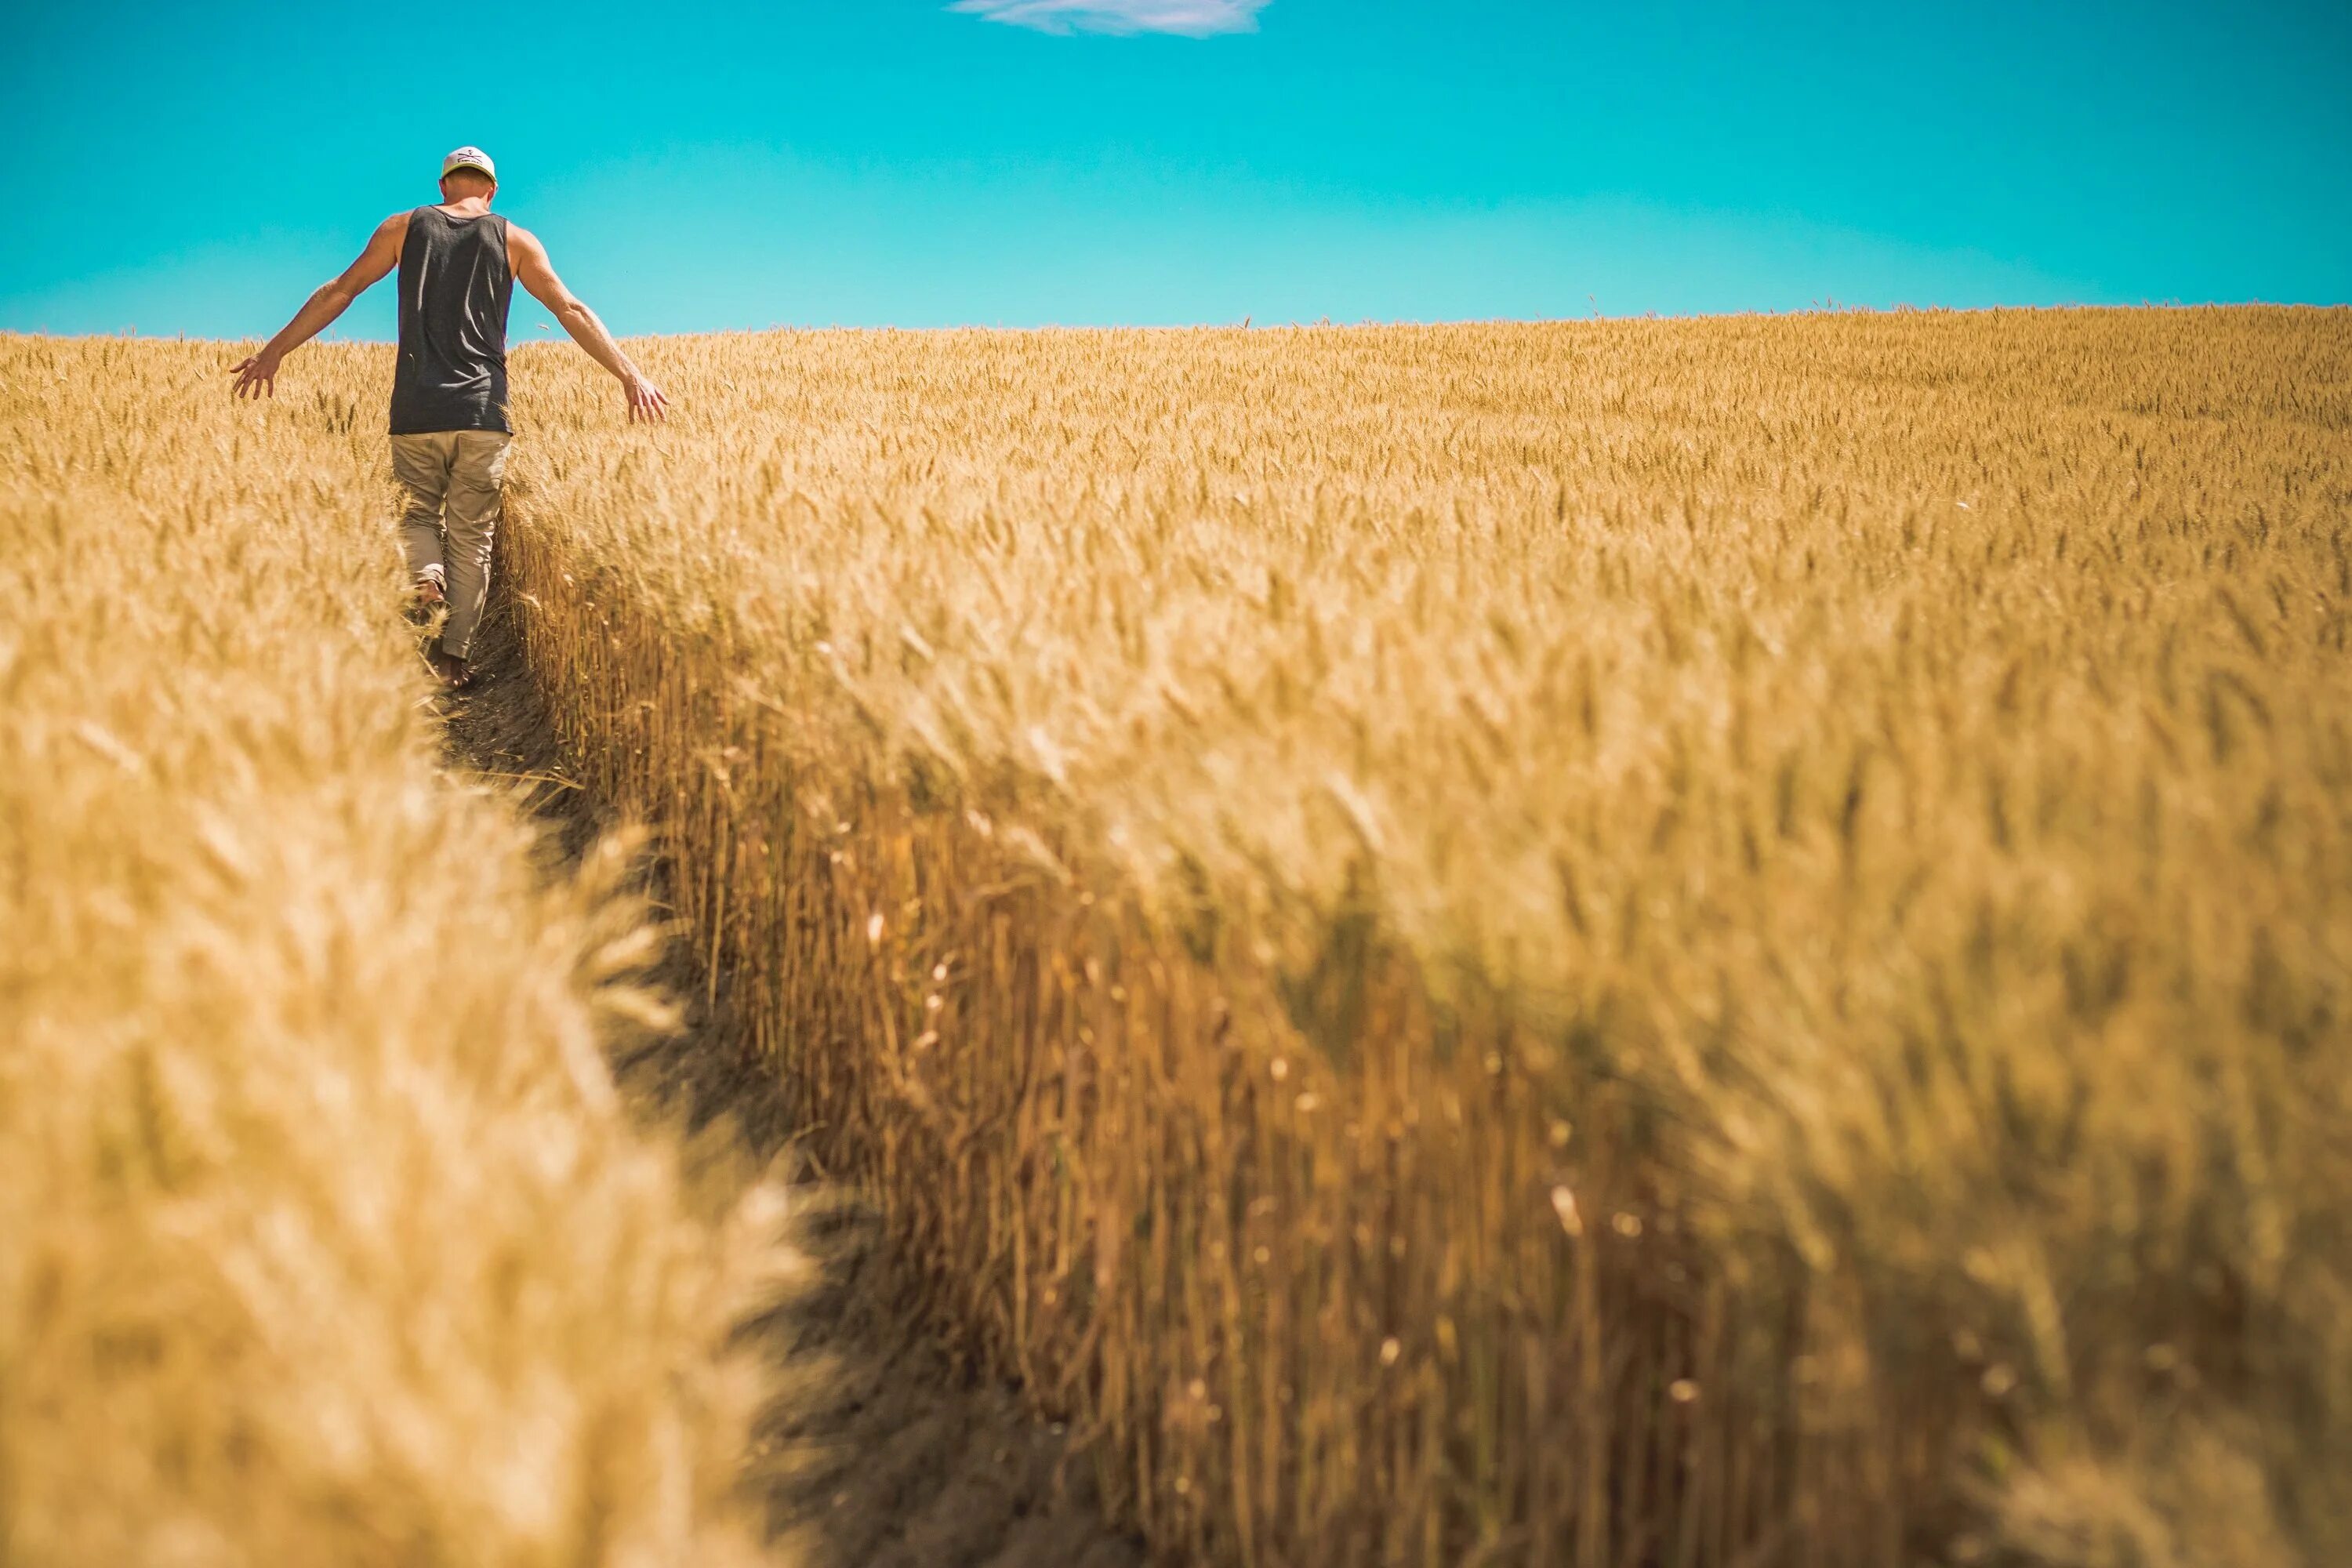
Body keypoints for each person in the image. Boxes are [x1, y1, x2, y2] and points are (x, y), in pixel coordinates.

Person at [229, 146, 667, 688]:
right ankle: (453, 660)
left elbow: (339, 291)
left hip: (417, 407)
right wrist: (631, 375)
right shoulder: (516, 239)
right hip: (484, 412)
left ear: (443, 187)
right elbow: (569, 310)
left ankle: (425, 576)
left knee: (416, 518)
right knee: (473, 538)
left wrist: (275, 350)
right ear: (491, 189)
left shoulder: (402, 227)